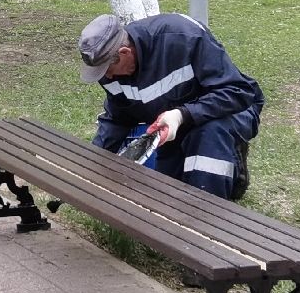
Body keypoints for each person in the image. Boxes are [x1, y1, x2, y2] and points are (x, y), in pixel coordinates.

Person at [78, 12, 264, 200]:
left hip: (231, 110)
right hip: (174, 126)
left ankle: (208, 220)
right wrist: (95, 160)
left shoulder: (183, 37)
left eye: (107, 70)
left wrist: (181, 115)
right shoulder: (108, 73)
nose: (107, 77)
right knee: (170, 196)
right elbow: (118, 118)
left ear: (124, 53)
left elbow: (238, 91)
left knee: (208, 141)